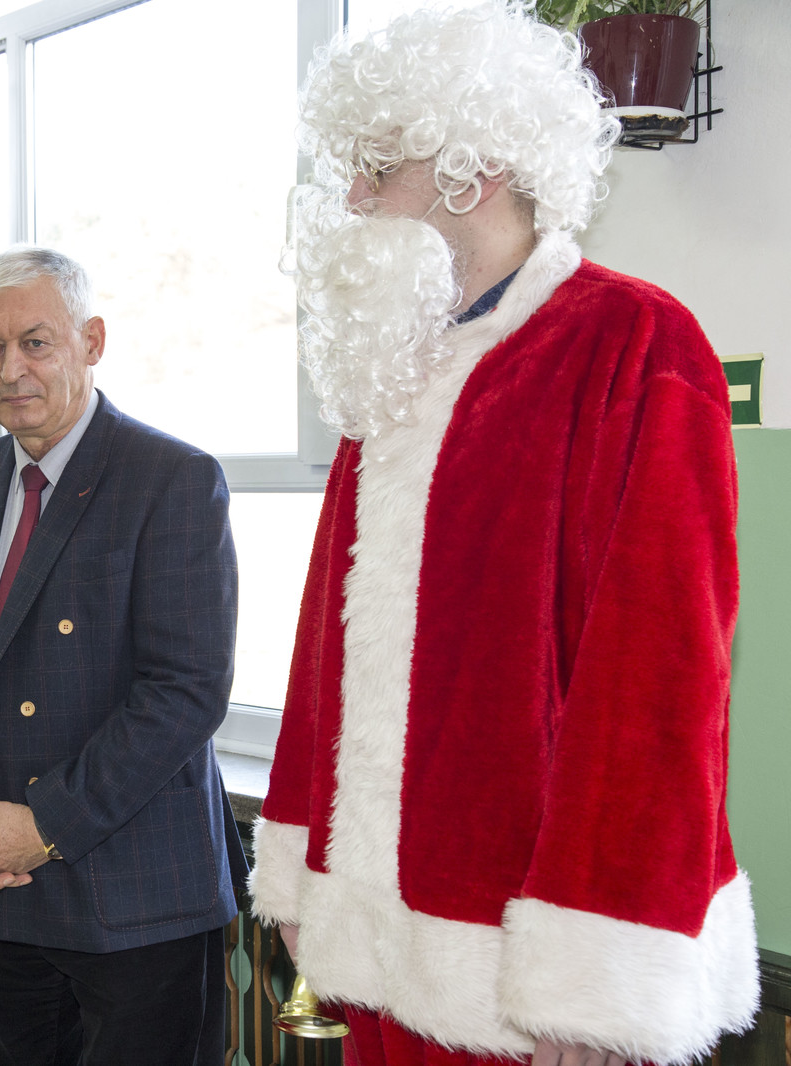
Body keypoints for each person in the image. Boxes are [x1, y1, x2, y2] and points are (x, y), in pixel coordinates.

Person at [248, 6, 760, 1066]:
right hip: (371, 946)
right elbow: (323, 646)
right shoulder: (392, 368)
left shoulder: (633, 344)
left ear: (470, 168)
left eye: (375, 167)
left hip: (526, 976)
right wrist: (301, 874)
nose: (354, 199)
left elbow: (660, 681)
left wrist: (593, 980)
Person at [0, 247, 244, 1066]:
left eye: (36, 343)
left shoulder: (172, 478)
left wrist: (48, 824)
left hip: (133, 896)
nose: (11, 368)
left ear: (92, 341)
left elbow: (185, 691)